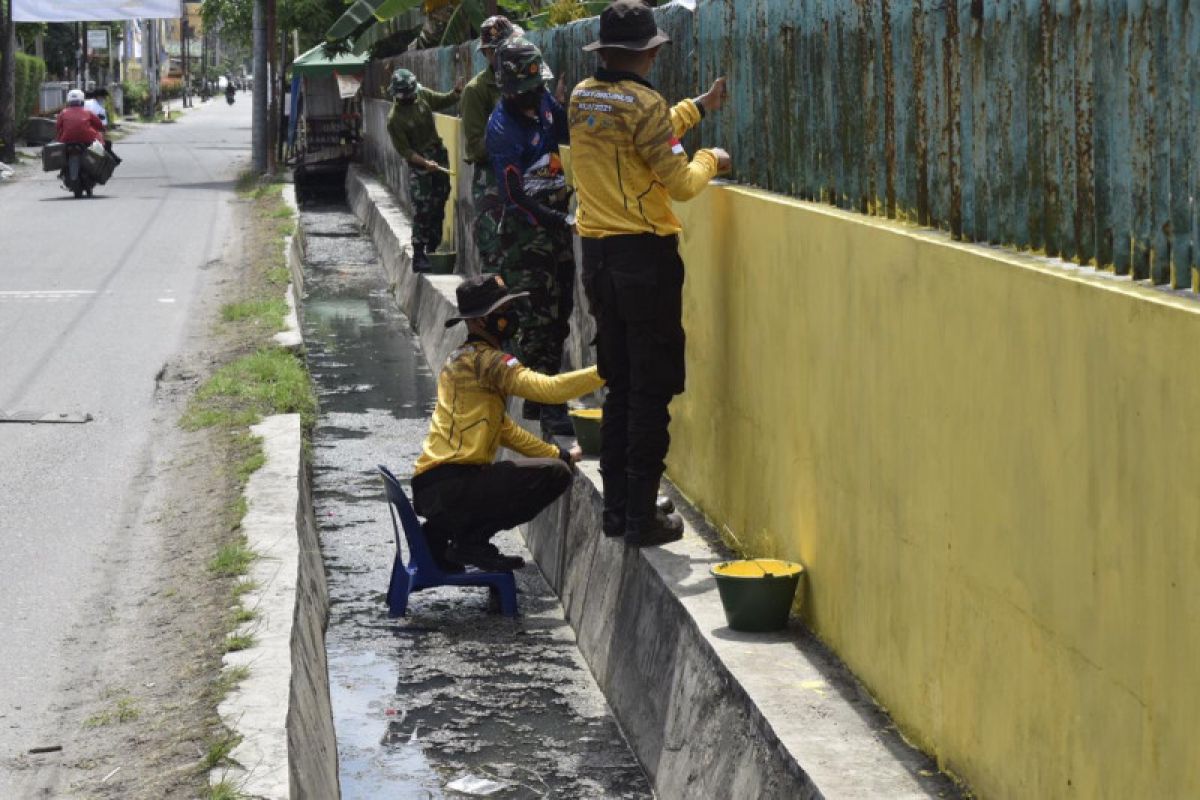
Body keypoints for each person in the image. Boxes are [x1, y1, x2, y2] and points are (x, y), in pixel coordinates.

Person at [568, 0, 731, 547]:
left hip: (598, 259)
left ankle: (618, 510)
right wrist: (711, 158)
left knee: (619, 386)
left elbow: (642, 132)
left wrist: (698, 107)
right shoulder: (644, 104)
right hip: (645, 260)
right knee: (651, 390)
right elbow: (680, 181)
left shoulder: (582, 96)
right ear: (650, 52)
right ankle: (643, 518)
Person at [411, 274, 603, 572]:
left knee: (554, 465)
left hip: (432, 489)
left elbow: (505, 430)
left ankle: (440, 536)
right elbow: (548, 389)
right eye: (499, 312)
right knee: (555, 475)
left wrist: (558, 453)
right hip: (453, 486)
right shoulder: (487, 362)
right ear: (476, 322)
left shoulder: (460, 359)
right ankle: (470, 542)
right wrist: (606, 371)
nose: (507, 317)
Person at [486, 38, 576, 437]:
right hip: (528, 234)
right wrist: (557, 219)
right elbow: (515, 196)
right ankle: (550, 403)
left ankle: (541, 396)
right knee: (538, 321)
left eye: (539, 87)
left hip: (556, 226)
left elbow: (566, 128)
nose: (536, 96)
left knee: (562, 314)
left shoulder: (543, 104)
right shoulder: (501, 129)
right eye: (528, 90)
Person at [386, 67, 463, 273]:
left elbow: (443, 100)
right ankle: (418, 254)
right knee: (422, 207)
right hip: (419, 166)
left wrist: (456, 92)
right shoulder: (395, 119)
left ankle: (433, 247)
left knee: (440, 201)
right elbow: (405, 151)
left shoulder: (423, 96)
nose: (411, 95)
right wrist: (424, 163)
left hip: (438, 157)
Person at [461, 15, 515, 276]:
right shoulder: (476, 91)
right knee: (494, 256)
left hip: (524, 182)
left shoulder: (528, 80)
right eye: (501, 50)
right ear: (487, 53)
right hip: (492, 183)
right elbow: (475, 148)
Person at [83, 89, 122, 165]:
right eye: (104, 97)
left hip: (78, 135)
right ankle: (111, 161)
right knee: (106, 145)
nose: (104, 100)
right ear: (99, 97)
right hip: (92, 136)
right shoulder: (100, 109)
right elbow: (103, 127)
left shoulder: (84, 103)